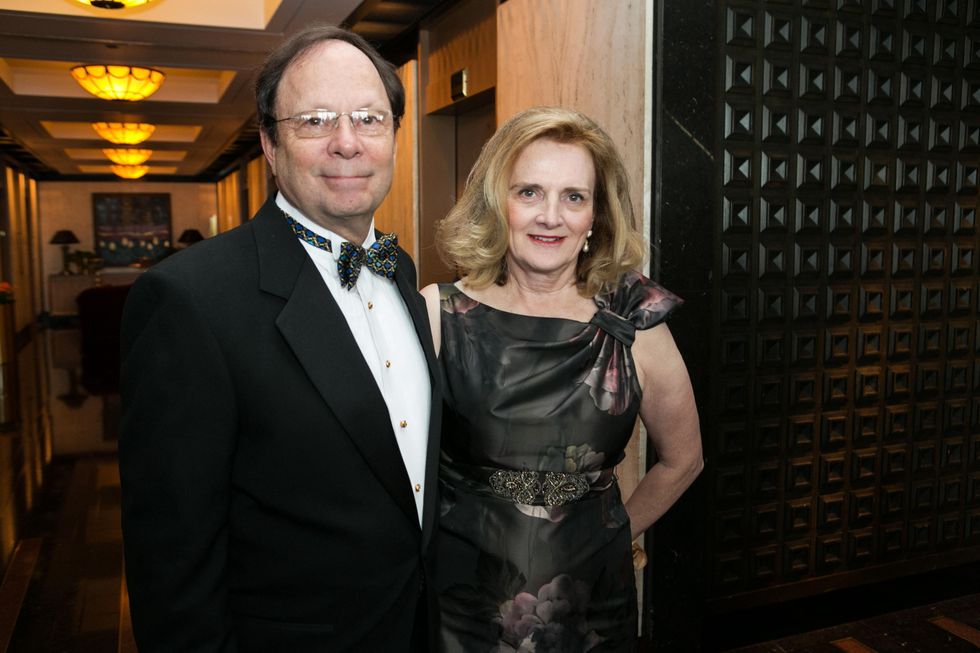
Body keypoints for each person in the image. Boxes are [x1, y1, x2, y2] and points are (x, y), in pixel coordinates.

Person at [119, 25, 441, 652]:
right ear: (269, 143)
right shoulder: (190, 300)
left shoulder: (400, 271)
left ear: (395, 136)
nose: (347, 143)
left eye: (369, 119)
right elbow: (171, 560)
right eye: (316, 120)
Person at [420, 106, 704, 652]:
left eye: (573, 196)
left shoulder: (632, 324)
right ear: (497, 203)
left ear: (595, 214)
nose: (550, 216)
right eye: (528, 192)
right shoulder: (439, 315)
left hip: (592, 607)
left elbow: (683, 458)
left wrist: (615, 539)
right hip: (462, 607)